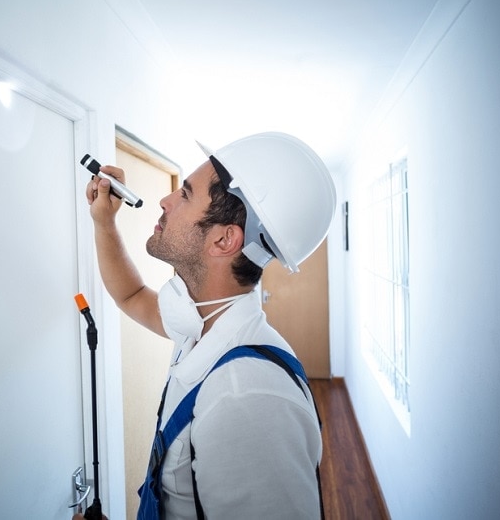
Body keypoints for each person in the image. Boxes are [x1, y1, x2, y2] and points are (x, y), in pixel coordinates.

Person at [84, 133, 335, 519]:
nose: (166, 201)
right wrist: (104, 224)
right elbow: (131, 295)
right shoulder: (198, 320)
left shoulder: (247, 397)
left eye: (184, 194)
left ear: (223, 239)